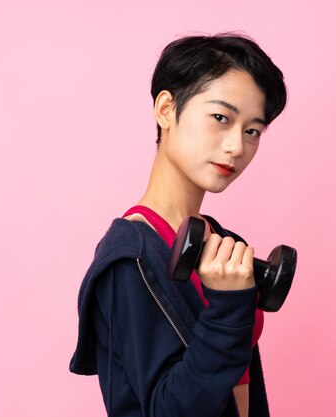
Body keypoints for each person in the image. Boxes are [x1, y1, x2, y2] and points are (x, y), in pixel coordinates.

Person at [69, 33, 287, 417]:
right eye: (221, 118)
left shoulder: (223, 245)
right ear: (167, 109)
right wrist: (229, 309)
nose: (237, 146)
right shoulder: (130, 259)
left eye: (252, 131)